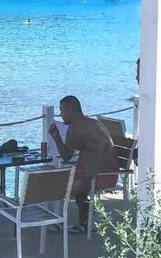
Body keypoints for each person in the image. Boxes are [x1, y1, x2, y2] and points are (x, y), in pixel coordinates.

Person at [48, 96, 118, 234]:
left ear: (69, 111)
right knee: (62, 182)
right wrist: (56, 137)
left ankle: (82, 223)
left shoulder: (85, 128)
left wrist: (88, 174)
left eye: (61, 111)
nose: (60, 114)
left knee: (69, 185)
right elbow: (68, 156)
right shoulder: (84, 127)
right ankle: (69, 221)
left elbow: (67, 156)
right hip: (93, 173)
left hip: (103, 175)